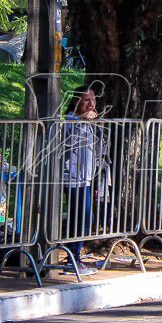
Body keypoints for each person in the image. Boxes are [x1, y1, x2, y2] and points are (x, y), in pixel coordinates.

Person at [59, 85, 104, 276]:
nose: (90, 104)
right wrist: (80, 120)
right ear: (76, 101)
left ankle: (74, 257)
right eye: (86, 100)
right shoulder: (70, 119)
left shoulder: (89, 123)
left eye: (93, 100)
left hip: (85, 177)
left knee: (86, 218)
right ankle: (72, 259)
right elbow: (67, 139)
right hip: (72, 177)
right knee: (81, 218)